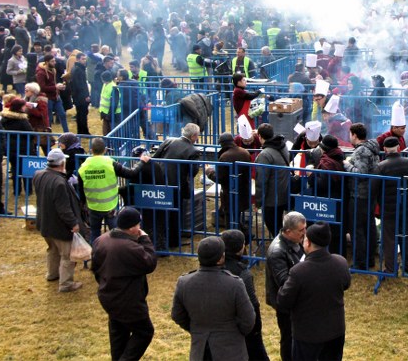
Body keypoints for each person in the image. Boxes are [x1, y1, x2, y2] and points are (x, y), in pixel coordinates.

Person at [172, 235, 255, 361]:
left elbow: (177, 315)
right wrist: (234, 333)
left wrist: (197, 329)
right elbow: (248, 319)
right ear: (221, 258)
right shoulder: (234, 284)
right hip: (231, 351)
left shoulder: (184, 282)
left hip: (200, 351)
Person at [275, 221, 351, 361]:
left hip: (308, 335)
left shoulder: (299, 271)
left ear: (308, 242)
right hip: (336, 331)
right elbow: (346, 284)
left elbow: (283, 300)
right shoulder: (341, 262)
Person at [91, 207, 158, 361]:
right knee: (144, 331)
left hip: (108, 296)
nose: (140, 228)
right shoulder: (130, 248)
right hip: (128, 300)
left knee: (118, 333)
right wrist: (145, 239)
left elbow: (96, 268)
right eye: (138, 225)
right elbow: (150, 263)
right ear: (131, 227)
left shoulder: (101, 240)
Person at [77, 138, 150, 244]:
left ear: (91, 150)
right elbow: (130, 173)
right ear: (105, 149)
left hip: (93, 207)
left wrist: (83, 204)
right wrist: (142, 162)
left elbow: (81, 189)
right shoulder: (110, 163)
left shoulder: (83, 167)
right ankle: (116, 253)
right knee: (117, 235)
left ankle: (96, 256)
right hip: (110, 206)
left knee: (95, 234)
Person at [32, 149, 86, 293]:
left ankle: (52, 274)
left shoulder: (38, 175)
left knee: (52, 249)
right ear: (62, 163)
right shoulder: (59, 183)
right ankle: (66, 284)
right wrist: (73, 223)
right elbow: (64, 208)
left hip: (44, 222)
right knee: (67, 255)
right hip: (59, 226)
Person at [221, 230, 269, 361]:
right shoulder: (243, 274)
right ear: (242, 247)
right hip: (244, 331)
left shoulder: (215, 268)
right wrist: (255, 330)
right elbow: (252, 306)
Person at [151, 123, 202, 243]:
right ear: (194, 136)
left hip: (159, 181)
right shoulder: (193, 150)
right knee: (175, 213)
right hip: (177, 185)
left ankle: (162, 237)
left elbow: (155, 157)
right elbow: (193, 171)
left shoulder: (169, 141)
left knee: (161, 211)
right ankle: (173, 239)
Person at [266, 211, 306, 361]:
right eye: (301, 231)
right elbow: (284, 281)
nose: (304, 233)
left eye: (305, 229)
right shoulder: (277, 251)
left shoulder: (295, 241)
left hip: (296, 300)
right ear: (288, 231)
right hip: (285, 303)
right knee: (288, 338)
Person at [376, 136, 408, 274]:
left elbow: (375, 187)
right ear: (399, 147)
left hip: (388, 208)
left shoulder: (381, 166)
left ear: (385, 150)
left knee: (389, 238)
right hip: (405, 206)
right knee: (405, 236)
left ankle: (390, 268)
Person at [343, 122, 381, 270]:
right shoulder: (372, 148)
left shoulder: (361, 151)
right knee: (369, 226)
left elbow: (360, 173)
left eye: (350, 134)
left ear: (354, 135)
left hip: (359, 194)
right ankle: (369, 258)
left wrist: (346, 164)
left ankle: (360, 262)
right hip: (370, 193)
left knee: (357, 229)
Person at [216, 133, 253, 234]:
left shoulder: (224, 156)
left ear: (222, 144)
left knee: (230, 219)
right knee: (236, 217)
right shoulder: (244, 152)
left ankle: (237, 239)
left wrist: (209, 172)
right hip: (243, 190)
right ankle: (245, 235)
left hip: (229, 192)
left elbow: (220, 178)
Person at [69, 52, 91, 135]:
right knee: (82, 114)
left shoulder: (77, 68)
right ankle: (84, 131)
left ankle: (81, 131)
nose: (84, 61)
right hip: (80, 96)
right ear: (78, 59)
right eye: (83, 59)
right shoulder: (78, 69)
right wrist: (86, 96)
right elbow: (80, 84)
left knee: (80, 114)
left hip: (78, 96)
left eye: (85, 59)